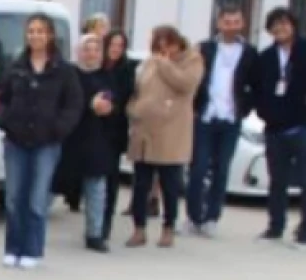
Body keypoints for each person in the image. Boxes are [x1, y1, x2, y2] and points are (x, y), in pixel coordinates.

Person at [0, 13, 83, 269]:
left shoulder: (64, 70)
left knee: (36, 199)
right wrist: (5, 120)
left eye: (40, 31)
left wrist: (59, 129)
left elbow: (74, 105)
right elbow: (1, 97)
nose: (35, 35)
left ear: (50, 35)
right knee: (13, 197)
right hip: (16, 141)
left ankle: (32, 250)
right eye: (31, 31)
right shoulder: (16, 66)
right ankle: (13, 247)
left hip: (46, 143)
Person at [251, 6, 306, 247]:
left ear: (294, 25)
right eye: (275, 25)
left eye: (285, 23)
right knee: (277, 180)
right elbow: (257, 89)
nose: (280, 29)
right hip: (276, 127)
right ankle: (275, 227)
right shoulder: (266, 57)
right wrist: (263, 111)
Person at [126, 25, 204, 250]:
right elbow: (140, 88)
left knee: (170, 185)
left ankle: (168, 227)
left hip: (171, 132)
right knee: (140, 184)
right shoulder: (151, 61)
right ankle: (139, 229)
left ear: (177, 42)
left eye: (167, 43)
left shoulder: (192, 60)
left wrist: (165, 63)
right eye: (158, 44)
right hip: (144, 131)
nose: (163, 48)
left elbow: (185, 84)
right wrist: (134, 108)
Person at [186, 7, 257, 238]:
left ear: (242, 24)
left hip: (231, 118)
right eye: (227, 21)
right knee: (197, 169)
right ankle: (193, 216)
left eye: (236, 21)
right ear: (219, 23)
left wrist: (244, 109)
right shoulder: (205, 48)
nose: (231, 26)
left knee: (221, 169)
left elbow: (254, 85)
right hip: (206, 117)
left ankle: (212, 218)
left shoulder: (249, 52)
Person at [66, 35, 121, 252]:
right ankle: (33, 230)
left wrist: (108, 107)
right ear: (78, 52)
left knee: (96, 187)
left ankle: (94, 234)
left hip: (97, 138)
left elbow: (113, 100)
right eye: (86, 49)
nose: (91, 54)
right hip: (70, 136)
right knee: (49, 187)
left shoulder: (107, 76)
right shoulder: (70, 74)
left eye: (96, 50)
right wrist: (88, 104)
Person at [99, 30, 137, 244]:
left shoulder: (127, 69)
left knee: (111, 178)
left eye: (120, 45)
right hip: (96, 128)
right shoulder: (98, 66)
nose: (115, 49)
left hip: (115, 129)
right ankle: (95, 219)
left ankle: (106, 223)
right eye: (112, 44)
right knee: (96, 177)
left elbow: (126, 95)